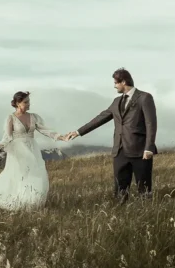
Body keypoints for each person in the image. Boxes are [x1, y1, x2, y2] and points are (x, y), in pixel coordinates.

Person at [0, 91, 66, 210]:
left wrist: (61, 137)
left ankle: (32, 201)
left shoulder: (34, 117)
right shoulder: (11, 118)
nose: (29, 104)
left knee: (35, 175)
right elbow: (7, 137)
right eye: (26, 102)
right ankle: (21, 200)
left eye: (29, 102)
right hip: (18, 151)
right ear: (17, 103)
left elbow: (46, 130)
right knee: (21, 175)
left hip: (32, 149)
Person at [65, 67, 157, 202]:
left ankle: (147, 213)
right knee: (119, 189)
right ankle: (121, 213)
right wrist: (78, 132)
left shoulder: (145, 97)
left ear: (124, 82)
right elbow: (100, 118)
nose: (114, 86)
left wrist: (149, 147)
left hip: (140, 150)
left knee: (144, 188)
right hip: (119, 151)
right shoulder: (116, 102)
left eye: (116, 83)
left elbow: (151, 123)